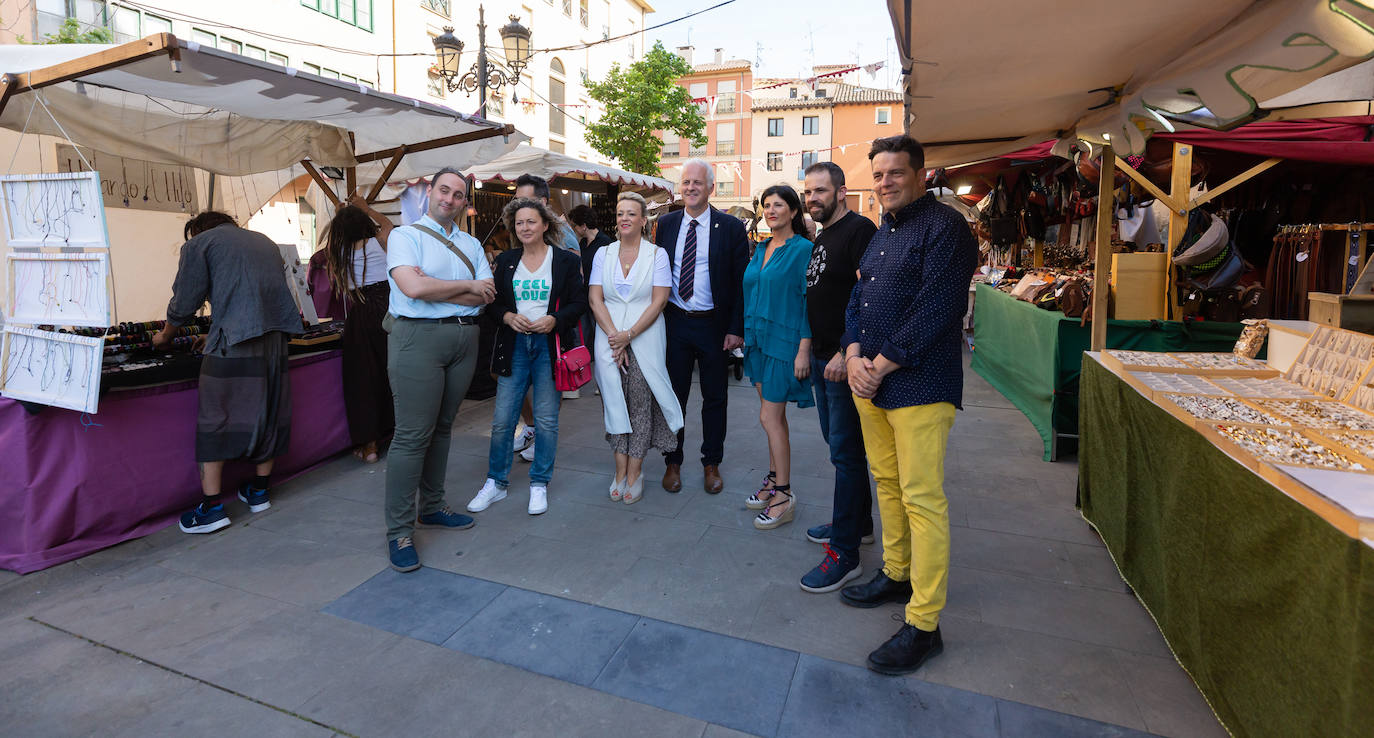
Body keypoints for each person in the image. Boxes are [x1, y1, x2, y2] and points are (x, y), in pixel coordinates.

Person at [840, 135, 977, 675]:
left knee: (923, 499)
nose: (885, 182)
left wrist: (879, 364)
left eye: (895, 173)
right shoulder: (881, 234)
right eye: (878, 175)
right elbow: (859, 298)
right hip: (870, 381)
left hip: (920, 383)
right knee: (888, 483)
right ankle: (897, 572)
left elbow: (939, 307)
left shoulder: (947, 229)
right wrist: (852, 353)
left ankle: (924, 623)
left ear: (921, 174)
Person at [153, 211, 304, 534]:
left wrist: (165, 337)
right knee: (269, 412)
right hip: (275, 339)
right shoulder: (264, 242)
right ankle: (259, 491)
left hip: (236, 344)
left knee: (216, 418)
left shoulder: (200, 244)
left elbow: (185, 302)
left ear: (197, 230)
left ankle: (212, 509)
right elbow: (252, 296)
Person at [383, 168, 495, 573]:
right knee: (413, 435)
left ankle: (431, 508)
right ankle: (398, 530)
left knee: (444, 428)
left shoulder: (470, 242)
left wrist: (435, 283)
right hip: (418, 339)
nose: (449, 199)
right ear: (430, 192)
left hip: (464, 339)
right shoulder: (404, 236)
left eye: (458, 194)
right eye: (443, 190)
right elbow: (412, 289)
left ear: (466, 202)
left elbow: (488, 289)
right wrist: (462, 289)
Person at [467, 198, 586, 516]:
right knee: (503, 419)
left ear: (545, 225)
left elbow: (579, 304)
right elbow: (493, 303)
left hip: (549, 347)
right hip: (515, 345)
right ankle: (495, 483)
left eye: (531, 221)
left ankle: (539, 483)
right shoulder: (506, 260)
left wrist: (555, 320)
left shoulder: (564, 261)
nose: (525, 227)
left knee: (546, 421)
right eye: (519, 223)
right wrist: (507, 317)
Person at [798, 162, 877, 593]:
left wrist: (848, 352)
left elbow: (869, 296)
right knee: (840, 451)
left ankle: (845, 555)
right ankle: (858, 523)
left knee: (846, 455)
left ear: (841, 192)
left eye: (821, 191)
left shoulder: (860, 231)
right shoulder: (823, 234)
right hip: (825, 359)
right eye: (808, 191)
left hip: (843, 363)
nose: (813, 198)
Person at [656, 158, 749, 494]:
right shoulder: (665, 225)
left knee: (715, 398)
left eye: (697, 182)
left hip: (714, 326)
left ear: (711, 187)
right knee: (673, 397)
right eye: (686, 182)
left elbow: (741, 283)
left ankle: (712, 462)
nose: (691, 188)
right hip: (676, 323)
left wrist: (736, 327)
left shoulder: (731, 228)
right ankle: (672, 461)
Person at [588, 192, 683, 503]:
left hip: (645, 336)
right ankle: (619, 470)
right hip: (609, 336)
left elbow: (659, 301)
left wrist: (629, 335)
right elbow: (595, 299)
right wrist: (615, 336)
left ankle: (635, 471)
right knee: (614, 401)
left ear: (644, 220)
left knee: (640, 404)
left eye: (631, 213)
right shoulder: (603, 253)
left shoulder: (657, 255)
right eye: (619, 213)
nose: (624, 218)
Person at [741, 185, 814, 530]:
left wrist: (804, 348)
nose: (771, 210)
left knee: (769, 418)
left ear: (794, 211)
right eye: (766, 205)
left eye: (779, 205)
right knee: (774, 419)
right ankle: (773, 479)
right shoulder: (762, 247)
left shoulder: (803, 250)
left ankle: (784, 495)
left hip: (785, 344)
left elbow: (808, 302)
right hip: (758, 341)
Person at [321, 195, 396, 464]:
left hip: (360, 312)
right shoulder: (380, 242)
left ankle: (370, 445)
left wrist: (340, 213)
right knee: (394, 372)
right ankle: (398, 432)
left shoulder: (336, 253)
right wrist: (367, 209)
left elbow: (333, 239)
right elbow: (387, 224)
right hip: (389, 310)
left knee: (363, 378)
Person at [511, 174, 583, 444]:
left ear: (542, 201)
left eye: (524, 200)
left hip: (552, 325)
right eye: (516, 200)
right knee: (505, 376)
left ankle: (541, 433)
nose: (518, 205)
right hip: (521, 322)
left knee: (555, 380)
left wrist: (556, 316)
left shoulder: (562, 234)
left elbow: (576, 283)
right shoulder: (520, 227)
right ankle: (532, 426)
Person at [569, 203, 615, 374]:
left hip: (601, 299)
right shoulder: (582, 244)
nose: (573, 229)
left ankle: (607, 372)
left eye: (574, 225)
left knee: (602, 336)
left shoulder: (605, 243)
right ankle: (584, 372)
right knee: (584, 337)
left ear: (583, 226)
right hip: (584, 298)